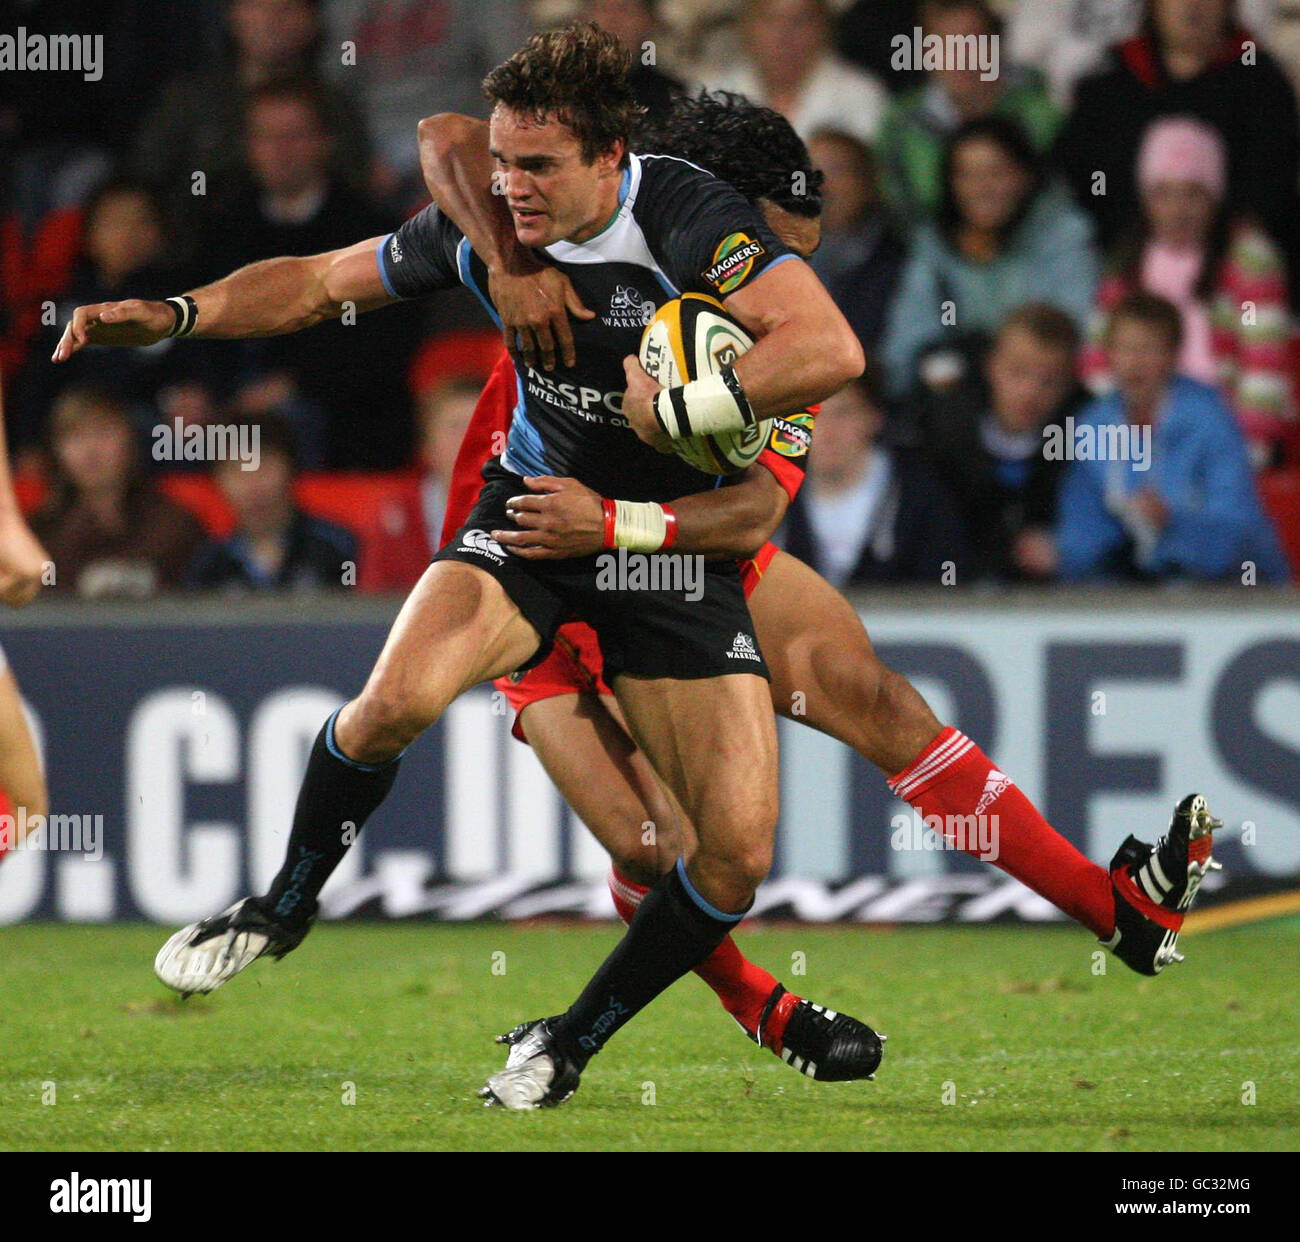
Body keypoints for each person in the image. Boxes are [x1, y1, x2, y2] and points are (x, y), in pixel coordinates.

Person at [57, 26, 869, 1109]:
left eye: (537, 168)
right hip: (531, 517)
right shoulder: (489, 230)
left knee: (730, 860)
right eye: (502, 164)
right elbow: (314, 282)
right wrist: (174, 315)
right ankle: (282, 906)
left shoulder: (686, 217)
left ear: (609, 158)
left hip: (659, 549)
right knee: (389, 702)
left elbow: (829, 352)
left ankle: (567, 1044)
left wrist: (674, 409)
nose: (511, 188)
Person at [404, 95, 1223, 1087]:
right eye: (778, 249)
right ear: (715, 215)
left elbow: (751, 512)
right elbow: (444, 133)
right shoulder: (592, 258)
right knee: (660, 843)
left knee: (877, 700)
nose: (799, 281)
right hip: (537, 563)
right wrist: (505, 255)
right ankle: (763, 1006)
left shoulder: (779, 330)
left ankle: (1120, 913)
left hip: (674, 547)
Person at [200, 82, 420, 469]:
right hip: (231, 398)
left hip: (338, 411)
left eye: (294, 136)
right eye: (267, 137)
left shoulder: (369, 227)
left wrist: (295, 384)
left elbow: (382, 339)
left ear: (325, 142)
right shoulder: (223, 226)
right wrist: (197, 390)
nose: (280, 151)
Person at [1078, 116, 1293, 469]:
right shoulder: (1128, 260)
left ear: (1215, 197)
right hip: (1140, 425)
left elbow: (1263, 362)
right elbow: (1097, 355)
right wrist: (1124, 426)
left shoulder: (1249, 258)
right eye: (1163, 193)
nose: (1178, 210)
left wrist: (1245, 451)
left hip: (1225, 428)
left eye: (1193, 194)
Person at [1057, 0, 1299, 286]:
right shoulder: (1113, 78)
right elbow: (1079, 171)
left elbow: (1272, 187)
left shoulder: (1260, 81)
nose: (1191, 7)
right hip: (1119, 266)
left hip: (1229, 273)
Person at [1055, 293, 1290, 583]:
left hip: (1228, 592)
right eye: (1124, 348)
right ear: (1108, 354)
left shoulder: (1210, 421)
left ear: (1173, 355)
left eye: (1149, 349)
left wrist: (1174, 524)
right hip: (1131, 599)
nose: (1134, 361)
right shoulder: (1091, 426)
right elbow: (1080, 532)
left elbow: (1239, 529)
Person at [880, 115, 1098, 398]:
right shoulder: (933, 245)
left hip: (1043, 397)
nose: (982, 188)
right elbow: (905, 345)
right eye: (966, 174)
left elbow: (1069, 332)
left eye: (996, 172)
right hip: (957, 403)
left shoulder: (1064, 234)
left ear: (1026, 175)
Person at [915, 303, 1087, 583]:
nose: (1030, 392)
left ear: (1069, 385)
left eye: (1049, 380)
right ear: (991, 366)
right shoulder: (943, 432)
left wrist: (1065, 548)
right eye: (1018, 372)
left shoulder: (1083, 437)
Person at [876, 0, 1061, 223]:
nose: (961, 56)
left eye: (972, 41)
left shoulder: (1040, 107)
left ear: (996, 45)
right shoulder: (900, 123)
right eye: (944, 43)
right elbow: (898, 207)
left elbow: (1056, 192)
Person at [780, 371, 967, 585]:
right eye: (810, 415)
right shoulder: (769, 496)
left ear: (874, 416)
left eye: (843, 413)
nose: (826, 432)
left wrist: (948, 589)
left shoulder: (924, 494)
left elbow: (950, 576)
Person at [31, 387, 206, 599]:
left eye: (103, 432)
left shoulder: (175, 523)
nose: (90, 449)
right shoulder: (39, 533)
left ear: (130, 441)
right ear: (56, 450)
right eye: (74, 436)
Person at [187, 415, 359, 591]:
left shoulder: (338, 547)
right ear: (217, 482)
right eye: (235, 469)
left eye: (265, 466)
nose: (253, 484)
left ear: (291, 470)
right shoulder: (208, 565)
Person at [699, 0, 888, 146]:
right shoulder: (713, 94)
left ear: (825, 28)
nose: (784, 36)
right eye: (770, 20)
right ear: (745, 27)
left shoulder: (861, 95)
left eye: (800, 21)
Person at [805, 129, 906, 354]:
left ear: (868, 181)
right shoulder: (780, 255)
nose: (823, 187)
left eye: (837, 171)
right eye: (810, 173)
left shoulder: (901, 256)